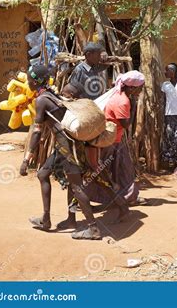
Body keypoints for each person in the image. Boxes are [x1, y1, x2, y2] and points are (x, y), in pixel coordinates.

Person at [19, 65, 129, 240]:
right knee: (43, 174)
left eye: (30, 80)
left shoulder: (41, 100)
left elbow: (37, 132)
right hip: (68, 146)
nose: (28, 82)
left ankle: (93, 228)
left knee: (77, 185)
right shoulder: (52, 96)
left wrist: (27, 159)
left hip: (67, 149)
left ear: (36, 81)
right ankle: (48, 219)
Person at [101, 71, 145, 205]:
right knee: (119, 170)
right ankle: (126, 198)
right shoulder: (123, 101)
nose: (141, 90)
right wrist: (133, 108)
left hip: (113, 139)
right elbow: (125, 124)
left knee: (120, 169)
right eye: (140, 87)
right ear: (132, 87)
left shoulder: (118, 95)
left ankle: (126, 197)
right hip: (113, 141)